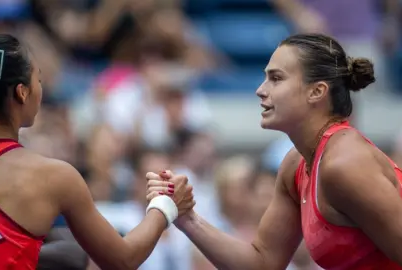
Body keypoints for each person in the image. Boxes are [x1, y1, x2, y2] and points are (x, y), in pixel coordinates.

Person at [0, 34, 195, 269]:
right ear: (22, 93)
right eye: (38, 80)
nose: (42, 88)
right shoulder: (55, 177)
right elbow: (122, 261)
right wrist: (164, 205)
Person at [147, 33, 402, 269]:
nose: (261, 89)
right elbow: (263, 262)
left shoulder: (344, 164)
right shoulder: (295, 163)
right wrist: (187, 217)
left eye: (276, 78)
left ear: (317, 92)